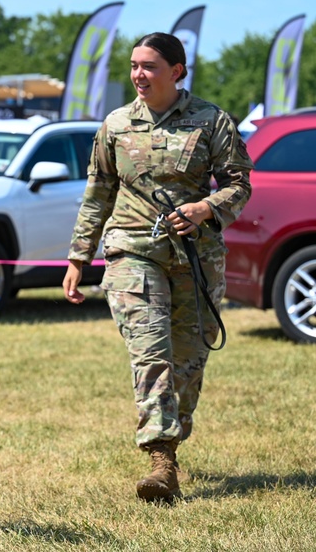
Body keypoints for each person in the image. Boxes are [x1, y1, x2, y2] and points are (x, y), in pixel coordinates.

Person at [62, 32, 253, 503]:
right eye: (133, 66)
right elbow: (98, 191)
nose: (138, 75)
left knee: (188, 359)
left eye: (149, 66)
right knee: (151, 352)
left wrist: (206, 208)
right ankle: (160, 460)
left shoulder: (212, 121)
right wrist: (78, 255)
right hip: (133, 250)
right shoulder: (116, 123)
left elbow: (239, 184)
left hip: (195, 256)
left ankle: (172, 433)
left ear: (177, 71)